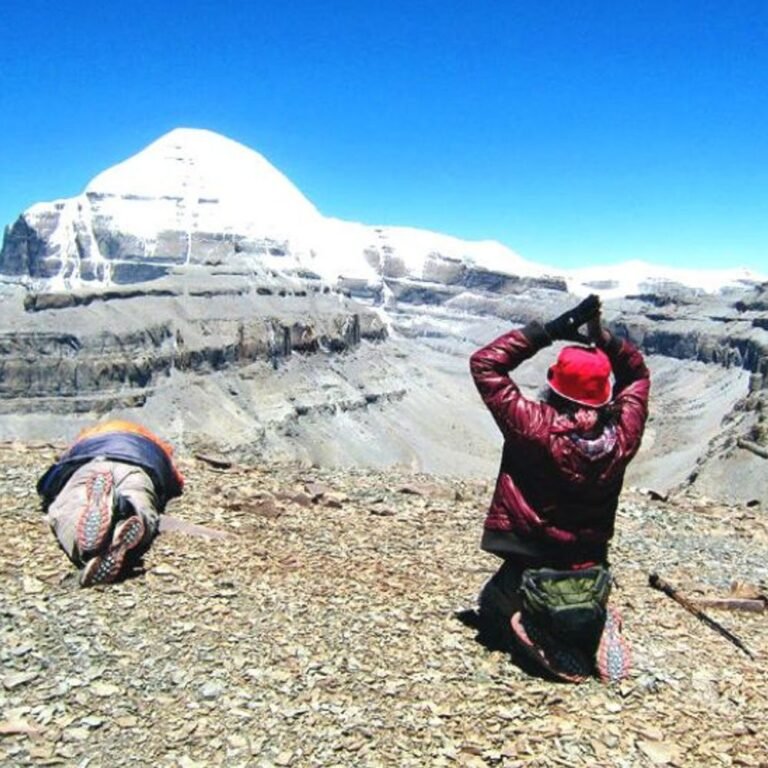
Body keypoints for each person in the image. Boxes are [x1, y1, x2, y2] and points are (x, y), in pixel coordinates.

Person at [469, 294, 650, 683]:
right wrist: (605, 340)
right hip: (591, 562)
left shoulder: (534, 427)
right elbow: (636, 377)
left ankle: (538, 633)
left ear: (555, 388)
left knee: (490, 610)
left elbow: (485, 364)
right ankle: (594, 622)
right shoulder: (622, 438)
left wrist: (549, 331)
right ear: (604, 396)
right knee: (575, 593)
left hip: (534, 558)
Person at [37, 420, 184, 587]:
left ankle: (86, 549)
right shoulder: (156, 445)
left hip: (91, 463)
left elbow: (47, 483)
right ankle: (128, 511)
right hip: (141, 465)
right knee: (140, 499)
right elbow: (175, 481)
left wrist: (49, 490)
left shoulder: (83, 441)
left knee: (69, 507)